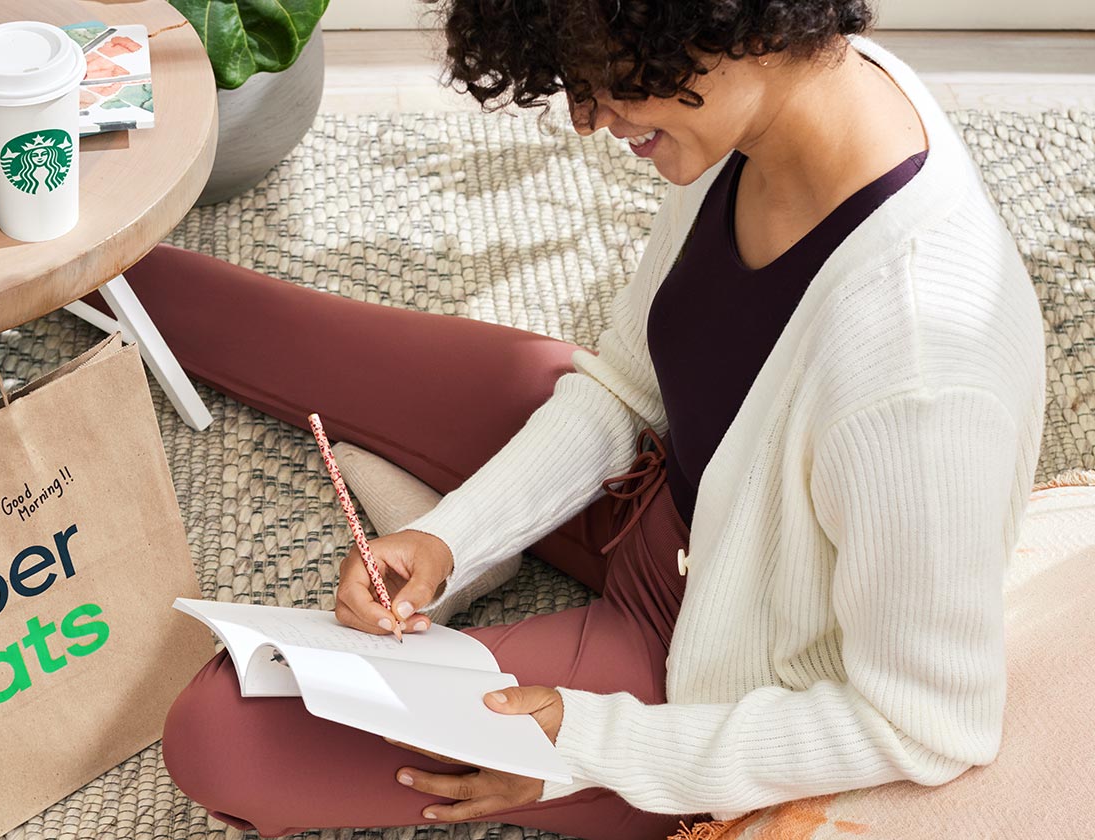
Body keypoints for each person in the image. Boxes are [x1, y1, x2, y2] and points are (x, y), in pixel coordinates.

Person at [146, 1, 1046, 837]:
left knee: (220, 735)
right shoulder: (775, 111)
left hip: (698, 650)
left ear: (739, 20)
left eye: (611, 76)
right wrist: (452, 537)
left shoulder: (920, 377)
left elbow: (929, 725)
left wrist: (587, 745)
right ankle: (78, 287)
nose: (588, 116)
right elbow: (626, 385)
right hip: (646, 467)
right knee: (231, 314)